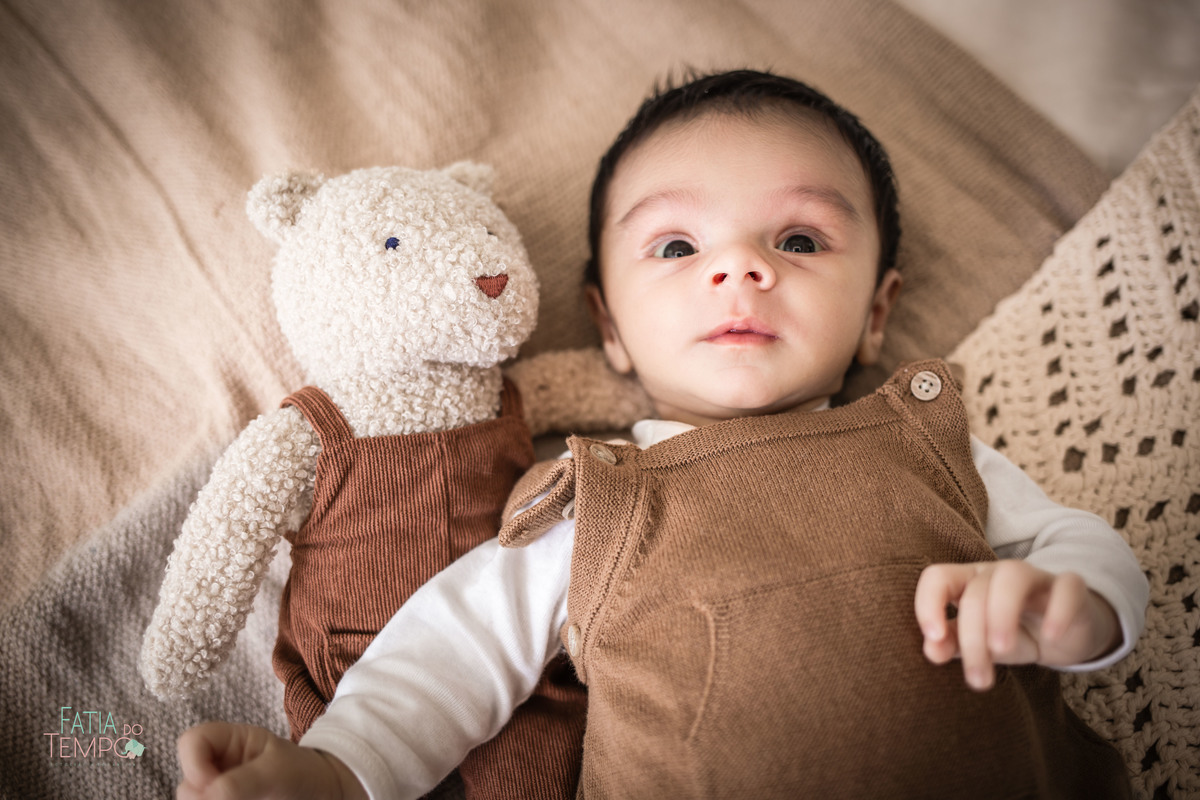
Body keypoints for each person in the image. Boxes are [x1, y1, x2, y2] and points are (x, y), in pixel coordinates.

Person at [176, 70, 1148, 800]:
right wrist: (336, 769)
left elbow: (1079, 542)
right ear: (609, 327)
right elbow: (451, 651)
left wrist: (1076, 606)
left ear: (877, 313)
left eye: (799, 240)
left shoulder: (923, 445)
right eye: (678, 246)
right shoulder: (598, 501)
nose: (740, 268)